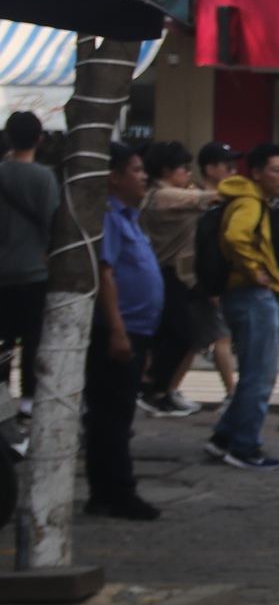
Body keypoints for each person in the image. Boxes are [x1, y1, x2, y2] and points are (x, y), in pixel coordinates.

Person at [85, 142, 165, 520]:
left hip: (137, 330)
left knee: (118, 414)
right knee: (111, 416)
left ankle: (108, 491)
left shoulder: (129, 217)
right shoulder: (109, 218)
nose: (143, 176)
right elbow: (106, 274)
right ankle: (115, 491)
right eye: (135, 170)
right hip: (119, 330)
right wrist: (118, 330)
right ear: (114, 177)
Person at [205, 143, 279, 471]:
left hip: (242, 295)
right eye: (276, 170)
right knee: (261, 375)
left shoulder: (246, 199)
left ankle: (224, 437)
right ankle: (244, 446)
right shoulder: (250, 201)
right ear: (256, 173)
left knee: (252, 374)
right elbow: (235, 237)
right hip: (251, 295)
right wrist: (254, 269)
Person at [136, 142, 225, 417]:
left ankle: (161, 392)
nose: (188, 173)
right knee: (183, 334)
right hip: (169, 274)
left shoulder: (158, 195)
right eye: (183, 169)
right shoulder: (162, 196)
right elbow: (206, 198)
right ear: (166, 170)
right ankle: (150, 385)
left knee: (169, 335)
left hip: (172, 274)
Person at [0, 109, 59, 420]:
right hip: (34, 273)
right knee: (33, 340)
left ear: (8, 137)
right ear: (40, 139)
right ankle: (26, 403)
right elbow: (53, 224)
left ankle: (1, 406)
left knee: (3, 343)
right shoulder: (44, 178)